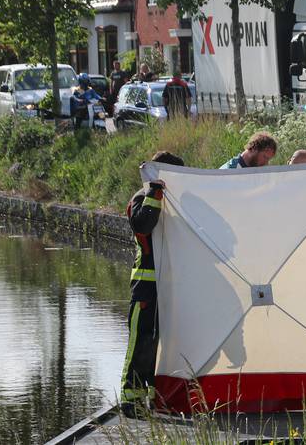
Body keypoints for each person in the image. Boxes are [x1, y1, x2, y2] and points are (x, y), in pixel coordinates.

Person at [122, 150, 184, 416]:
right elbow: (143, 225)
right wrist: (154, 193)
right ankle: (129, 400)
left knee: (160, 345)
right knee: (141, 344)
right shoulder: (142, 197)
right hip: (146, 288)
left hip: (169, 288)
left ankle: (152, 398)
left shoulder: (174, 201)